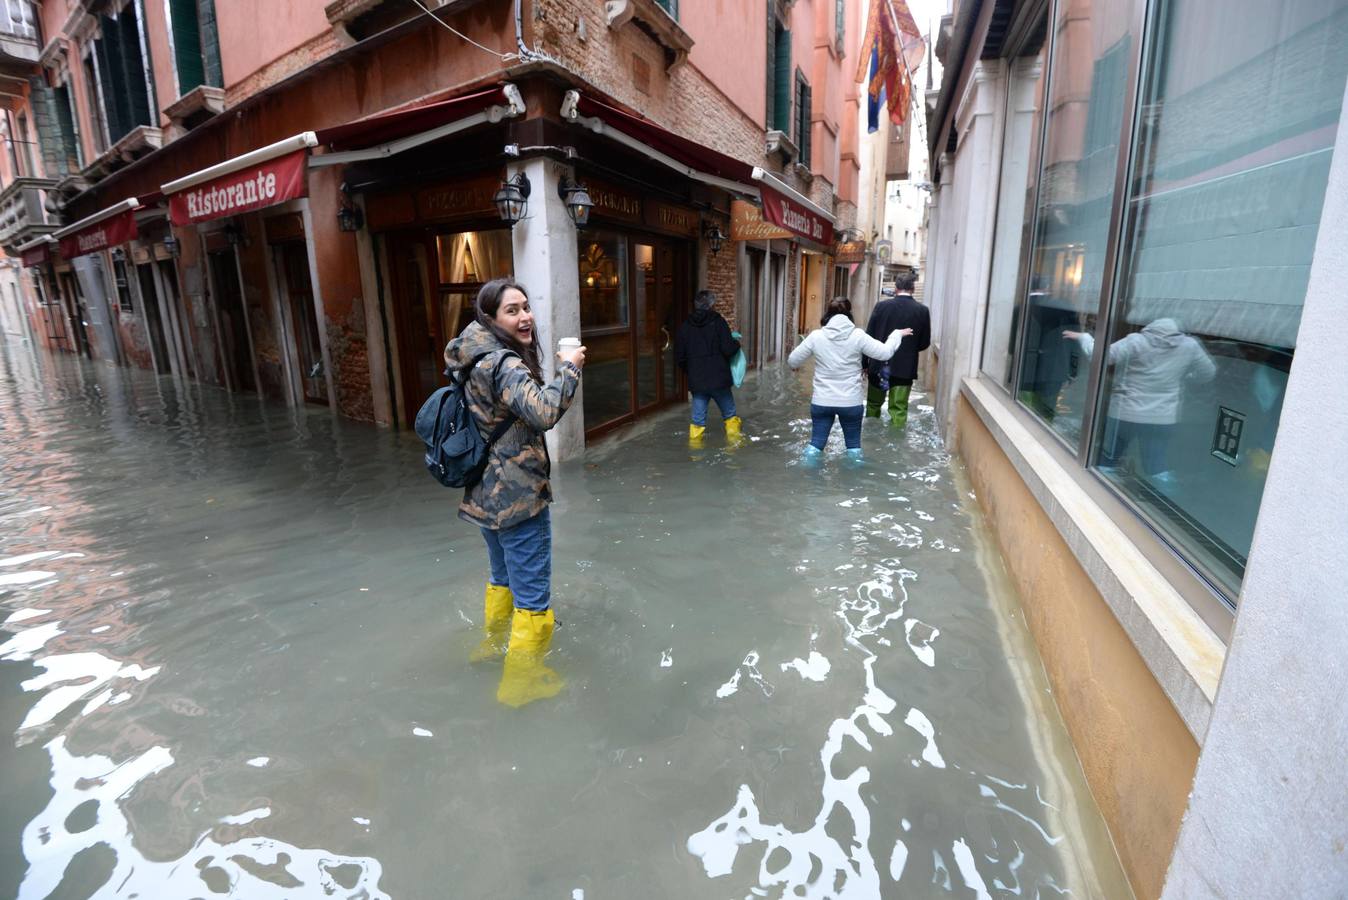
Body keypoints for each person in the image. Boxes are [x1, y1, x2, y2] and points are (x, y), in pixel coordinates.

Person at [442, 277, 586, 708]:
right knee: (534, 596)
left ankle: (491, 647)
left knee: (501, 578)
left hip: (485, 492)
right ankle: (521, 684)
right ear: (490, 317)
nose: (525, 317)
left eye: (526, 307)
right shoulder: (503, 363)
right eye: (512, 310)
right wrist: (571, 368)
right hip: (518, 495)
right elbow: (543, 412)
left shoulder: (470, 355)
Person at [1064, 318, 1215, 482]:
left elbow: (1100, 356)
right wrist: (1186, 378)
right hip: (1161, 417)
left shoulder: (1137, 341)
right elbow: (1208, 372)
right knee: (1156, 467)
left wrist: (1084, 337)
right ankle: (1166, 498)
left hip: (1124, 414)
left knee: (1109, 460)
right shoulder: (1190, 345)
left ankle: (1099, 492)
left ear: (1150, 327)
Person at [788, 297, 911, 465]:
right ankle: (854, 487)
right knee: (853, 448)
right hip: (850, 402)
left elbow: (793, 361)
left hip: (822, 401)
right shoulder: (858, 336)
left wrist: (798, 366)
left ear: (828, 314)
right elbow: (885, 353)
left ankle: (805, 477)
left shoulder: (816, 336)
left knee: (816, 445)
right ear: (849, 313)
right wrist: (896, 334)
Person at [675, 289, 742, 447]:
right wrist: (737, 344)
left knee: (697, 421)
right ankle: (735, 449)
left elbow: (680, 357)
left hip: (698, 381)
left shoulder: (685, 327)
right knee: (730, 415)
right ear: (712, 305)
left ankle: (695, 454)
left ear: (696, 305)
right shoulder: (718, 322)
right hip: (719, 379)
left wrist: (692, 371)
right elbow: (728, 349)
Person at [864, 271, 931, 426]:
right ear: (913, 289)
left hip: (879, 366)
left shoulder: (881, 307)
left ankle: (871, 441)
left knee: (873, 405)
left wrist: (864, 364)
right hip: (905, 369)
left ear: (895, 288)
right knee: (899, 409)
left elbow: (868, 337)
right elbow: (924, 343)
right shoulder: (922, 311)